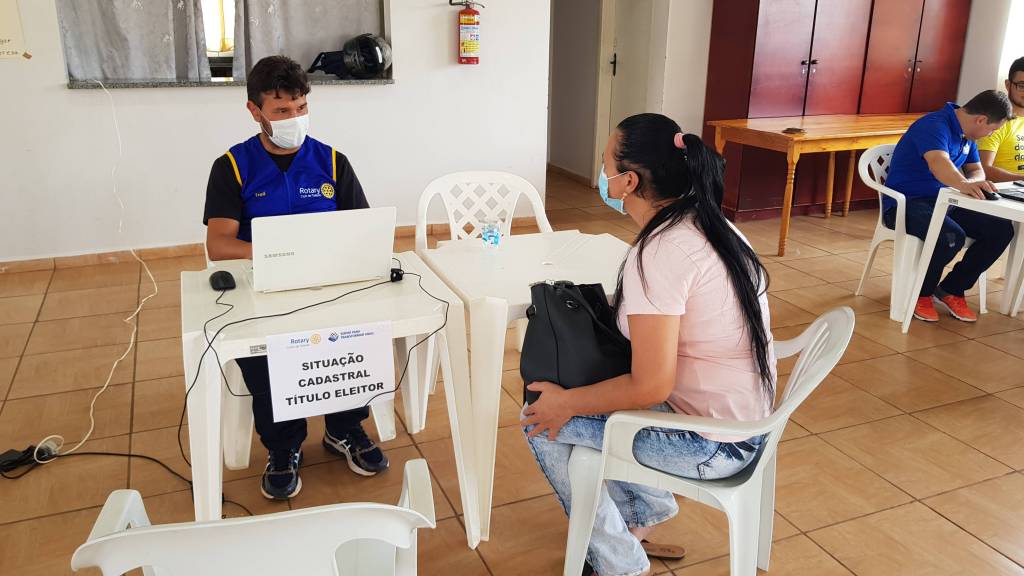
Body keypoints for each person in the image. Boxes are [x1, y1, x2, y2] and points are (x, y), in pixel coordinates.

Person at [521, 113, 775, 576]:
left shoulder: (659, 252)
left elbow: (651, 387)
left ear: (629, 181)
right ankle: (642, 515)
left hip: (713, 445)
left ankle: (619, 563)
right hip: (746, 420)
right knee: (583, 396)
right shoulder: (710, 223)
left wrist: (566, 404)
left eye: (606, 165)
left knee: (539, 417)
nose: (603, 176)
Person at [203, 55, 388, 500]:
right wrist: (281, 253)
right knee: (265, 351)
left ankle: (344, 428)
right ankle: (283, 446)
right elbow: (220, 244)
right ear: (255, 111)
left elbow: (361, 230)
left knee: (357, 333)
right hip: (262, 289)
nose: (294, 118)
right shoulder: (232, 166)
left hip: (326, 286)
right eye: (282, 110)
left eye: (301, 107)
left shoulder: (332, 162)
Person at [883, 90, 1016, 323]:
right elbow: (938, 162)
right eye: (992, 129)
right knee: (950, 237)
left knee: (1000, 230)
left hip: (946, 202)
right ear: (981, 120)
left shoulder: (967, 136)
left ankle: (952, 289)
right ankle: (920, 293)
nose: (991, 134)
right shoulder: (934, 125)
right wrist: (964, 184)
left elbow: (976, 169)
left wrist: (974, 183)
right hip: (907, 203)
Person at [978, 57, 1024, 181]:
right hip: (1005, 190)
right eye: (1022, 85)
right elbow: (983, 169)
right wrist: (1021, 179)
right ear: (1008, 85)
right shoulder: (996, 122)